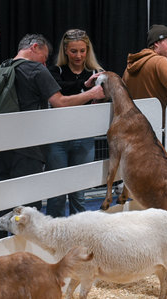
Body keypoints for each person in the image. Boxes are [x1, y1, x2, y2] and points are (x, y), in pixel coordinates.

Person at [0, 34, 105, 241]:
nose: (45, 61)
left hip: (2, 144)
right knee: (29, 203)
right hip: (29, 147)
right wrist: (91, 94)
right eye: (44, 56)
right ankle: (31, 254)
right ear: (34, 47)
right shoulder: (36, 70)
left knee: (1, 201)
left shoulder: (2, 67)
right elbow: (60, 102)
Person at [46, 29, 104, 217]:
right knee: (57, 194)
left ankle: (79, 240)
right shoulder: (55, 71)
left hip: (84, 137)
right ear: (65, 50)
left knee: (79, 193)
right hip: (58, 138)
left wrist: (99, 98)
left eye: (82, 50)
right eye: (73, 51)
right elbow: (60, 92)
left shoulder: (96, 72)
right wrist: (86, 89)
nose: (78, 56)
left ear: (88, 50)